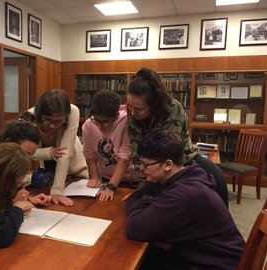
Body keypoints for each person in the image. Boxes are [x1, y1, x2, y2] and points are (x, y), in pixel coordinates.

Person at [125, 129, 245, 269]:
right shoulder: (179, 176)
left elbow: (135, 227)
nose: (141, 168)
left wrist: (147, 202)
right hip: (197, 257)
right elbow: (137, 196)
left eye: (146, 164)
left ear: (168, 165)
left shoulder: (184, 194)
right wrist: (149, 202)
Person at [126, 67, 228, 206]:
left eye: (138, 109)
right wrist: (143, 190)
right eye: (129, 106)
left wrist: (146, 192)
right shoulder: (133, 110)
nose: (132, 113)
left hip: (185, 166)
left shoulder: (173, 110)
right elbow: (137, 152)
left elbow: (163, 155)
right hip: (160, 171)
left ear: (154, 104)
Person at [28, 89, 89, 206]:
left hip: (74, 174)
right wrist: (48, 152)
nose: (52, 125)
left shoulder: (73, 112)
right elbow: (22, 152)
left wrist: (57, 191)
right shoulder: (29, 118)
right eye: (47, 120)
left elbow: (65, 153)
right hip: (48, 175)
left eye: (58, 121)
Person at [82, 90, 137, 201]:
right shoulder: (88, 125)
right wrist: (94, 178)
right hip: (106, 179)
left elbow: (125, 156)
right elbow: (90, 154)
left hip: (132, 180)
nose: (100, 127)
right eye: (96, 120)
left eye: (105, 122)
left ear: (116, 115)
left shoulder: (126, 121)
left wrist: (111, 187)